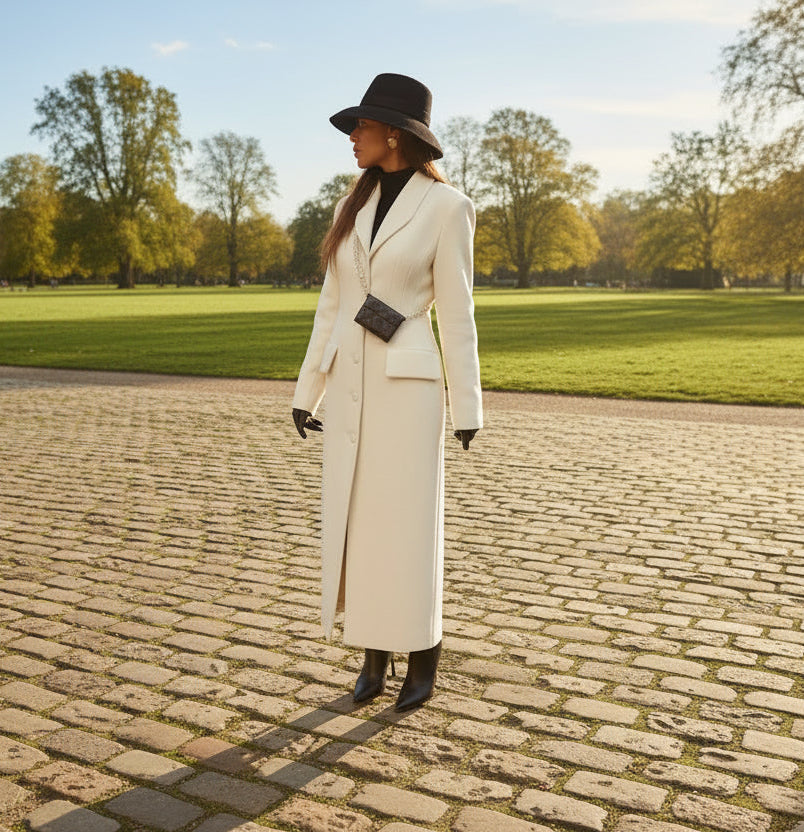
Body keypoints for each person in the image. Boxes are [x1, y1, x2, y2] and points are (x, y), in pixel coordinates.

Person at [291, 73, 482, 711]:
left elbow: (457, 314)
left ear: (393, 136)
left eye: (361, 127)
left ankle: (422, 658)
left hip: (410, 391)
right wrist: (307, 390)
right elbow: (332, 305)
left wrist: (468, 405)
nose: (351, 138)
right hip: (350, 388)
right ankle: (372, 655)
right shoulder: (354, 205)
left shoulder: (448, 208)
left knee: (408, 528)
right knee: (359, 527)